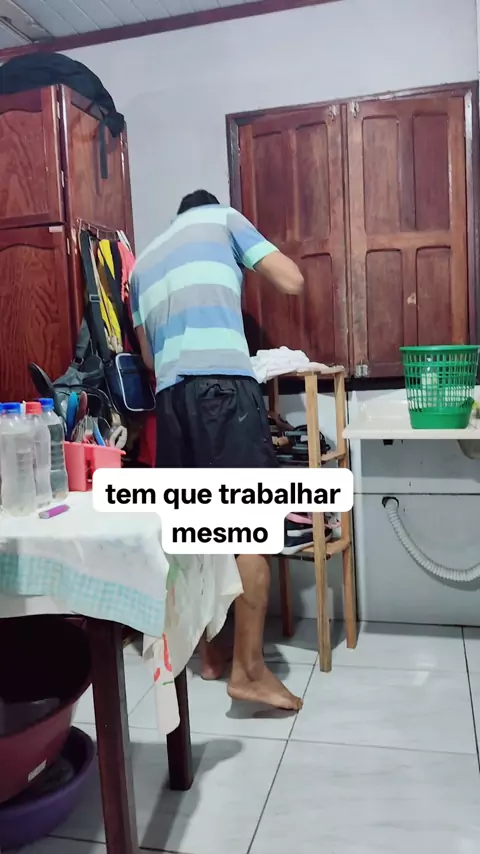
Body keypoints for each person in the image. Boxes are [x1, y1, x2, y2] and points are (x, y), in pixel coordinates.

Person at [130, 190, 304, 711]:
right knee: (250, 529)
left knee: (196, 536)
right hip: (223, 392)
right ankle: (248, 672)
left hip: (171, 402)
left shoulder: (142, 265)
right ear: (207, 207)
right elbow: (292, 280)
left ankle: (209, 655)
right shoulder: (223, 219)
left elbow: (148, 356)